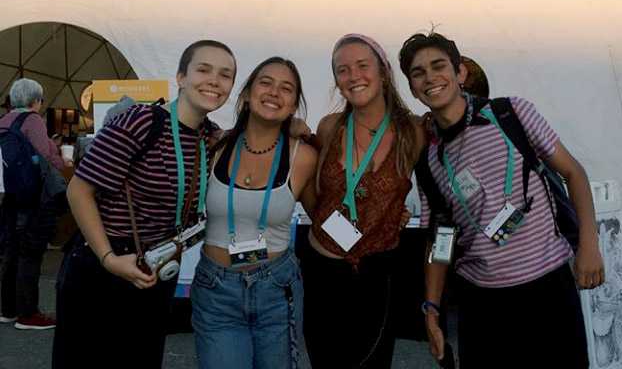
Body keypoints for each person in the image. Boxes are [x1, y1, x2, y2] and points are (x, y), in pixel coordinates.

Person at [398, 30, 604, 369]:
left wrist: (589, 245)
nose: (430, 78)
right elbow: (442, 237)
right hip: (482, 304)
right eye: (418, 73)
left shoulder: (511, 114)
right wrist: (432, 309)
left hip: (548, 289)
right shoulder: (429, 156)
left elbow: (574, 173)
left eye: (438, 66)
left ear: (460, 72)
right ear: (412, 88)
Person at [51, 39, 236, 369]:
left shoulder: (210, 137)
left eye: (225, 75)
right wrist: (108, 258)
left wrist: (292, 127)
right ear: (180, 77)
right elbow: (79, 191)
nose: (214, 80)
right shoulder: (141, 121)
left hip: (155, 268)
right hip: (104, 263)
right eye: (203, 69)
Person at [303, 34, 426, 368]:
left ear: (383, 72)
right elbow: (311, 193)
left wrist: (393, 216)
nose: (353, 76)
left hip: (377, 275)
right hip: (322, 272)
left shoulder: (413, 132)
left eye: (362, 65)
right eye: (342, 70)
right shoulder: (329, 128)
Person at [192, 56, 318, 369]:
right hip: (216, 290)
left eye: (286, 88)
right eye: (266, 82)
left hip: (277, 289)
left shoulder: (303, 157)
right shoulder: (213, 146)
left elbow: (325, 219)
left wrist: (373, 226)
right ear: (247, 93)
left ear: (293, 106)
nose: (275, 92)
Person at [0, 78, 69, 330]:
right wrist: (62, 159)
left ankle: (7, 309)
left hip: (9, 197)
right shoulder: (32, 121)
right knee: (30, 253)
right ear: (35, 100)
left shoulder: (3, 122)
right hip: (34, 199)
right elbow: (46, 157)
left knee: (11, 252)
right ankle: (28, 314)